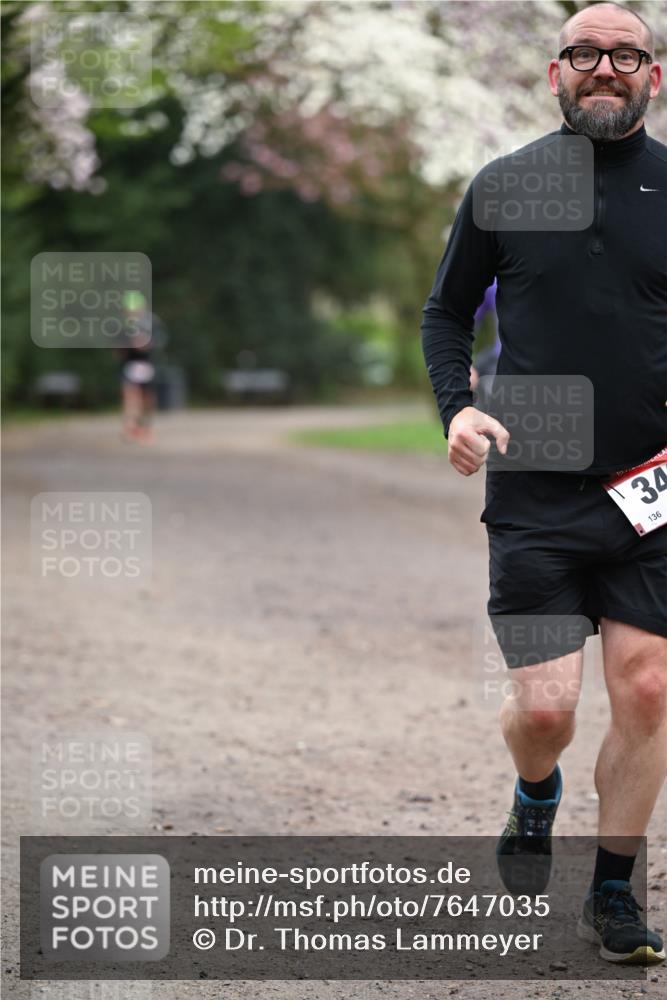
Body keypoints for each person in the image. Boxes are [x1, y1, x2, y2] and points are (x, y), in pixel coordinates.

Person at [421, 1, 666, 965]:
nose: (604, 68)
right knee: (545, 712)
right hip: (533, 496)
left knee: (646, 690)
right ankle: (534, 795)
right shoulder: (504, 186)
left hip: (655, 492)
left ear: (653, 74)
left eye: (625, 55)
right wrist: (456, 407)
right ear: (553, 71)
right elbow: (445, 313)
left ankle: (614, 892)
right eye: (584, 54)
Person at [116, 292, 158, 443]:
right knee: (129, 397)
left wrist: (145, 345)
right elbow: (118, 349)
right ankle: (129, 426)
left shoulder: (151, 322)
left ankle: (146, 427)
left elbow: (158, 342)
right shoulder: (122, 326)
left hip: (146, 364)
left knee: (147, 398)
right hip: (129, 365)